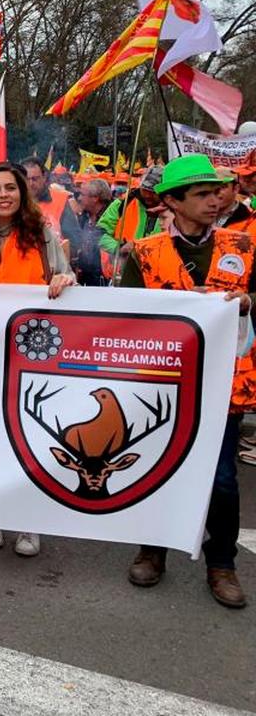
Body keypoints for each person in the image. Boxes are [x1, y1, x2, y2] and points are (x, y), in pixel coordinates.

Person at [121, 154, 250, 609]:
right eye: (201, 194)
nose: (215, 200)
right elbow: (126, 319)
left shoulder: (245, 245)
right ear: (172, 202)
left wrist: (247, 300)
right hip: (161, 383)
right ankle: (152, 549)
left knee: (223, 479)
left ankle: (222, 563)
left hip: (223, 385)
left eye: (217, 192)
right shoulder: (142, 252)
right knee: (156, 466)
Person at [0, 162, 76, 557]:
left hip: (31, 351)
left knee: (31, 434)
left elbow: (66, 275)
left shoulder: (41, 235)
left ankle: (28, 518)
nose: (3, 195)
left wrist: (65, 280)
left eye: (10, 188)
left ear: (22, 193)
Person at [98, 166, 165, 275]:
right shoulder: (122, 203)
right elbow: (98, 234)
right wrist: (120, 248)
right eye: (145, 189)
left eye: (153, 191)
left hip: (158, 276)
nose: (148, 195)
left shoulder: (172, 208)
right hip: (122, 275)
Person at [67, 178, 111, 287]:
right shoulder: (83, 217)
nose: (80, 198)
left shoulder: (113, 219)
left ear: (95, 198)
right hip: (85, 280)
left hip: (104, 283)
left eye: (82, 194)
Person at [21, 157, 75, 243]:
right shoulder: (14, 202)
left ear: (44, 177)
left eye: (35, 179)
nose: (31, 183)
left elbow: (74, 239)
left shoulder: (60, 200)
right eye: (26, 179)